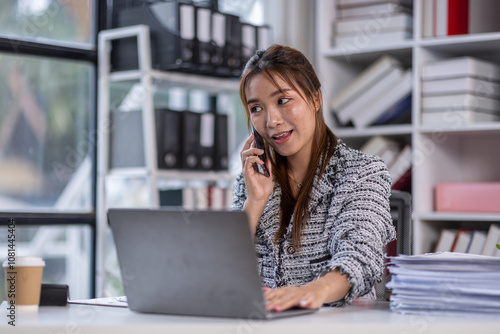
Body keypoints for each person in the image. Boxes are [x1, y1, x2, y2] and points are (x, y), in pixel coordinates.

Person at [231, 44, 396, 312]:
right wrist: (255, 201)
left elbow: (361, 259)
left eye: (283, 100)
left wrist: (310, 292)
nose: (271, 120)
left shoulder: (362, 172)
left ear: (315, 99)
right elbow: (222, 270)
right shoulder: (254, 177)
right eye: (257, 108)